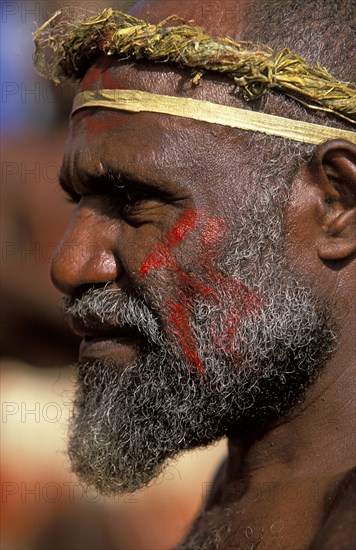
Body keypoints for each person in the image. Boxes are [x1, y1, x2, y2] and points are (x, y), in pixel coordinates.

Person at [33, 0, 355, 548]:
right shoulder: (245, 495)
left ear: (335, 204)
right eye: (80, 201)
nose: (70, 265)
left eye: (135, 201)